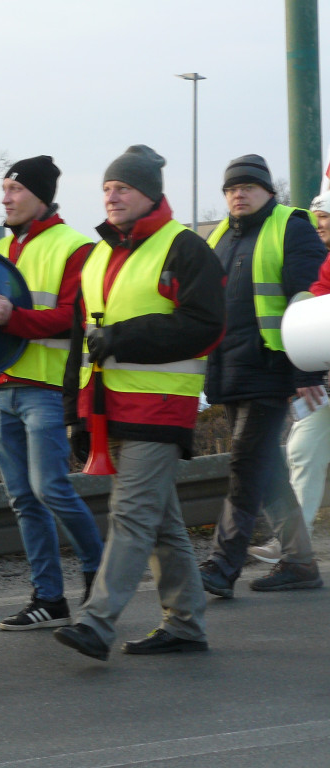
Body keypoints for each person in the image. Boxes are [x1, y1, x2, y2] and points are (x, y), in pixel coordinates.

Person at [53, 145, 225, 660]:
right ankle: (186, 624)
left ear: (149, 193)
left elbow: (205, 326)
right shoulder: (98, 255)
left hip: (160, 410)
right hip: (109, 410)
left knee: (130, 516)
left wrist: (125, 337)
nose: (111, 196)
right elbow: (80, 341)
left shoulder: (186, 248)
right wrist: (73, 413)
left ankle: (97, 622)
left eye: (122, 188)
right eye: (107, 188)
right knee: (161, 523)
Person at [0, 156, 103, 630]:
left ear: (41, 195)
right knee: (22, 499)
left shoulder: (75, 247)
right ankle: (48, 597)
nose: (6, 198)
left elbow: (76, 317)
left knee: (50, 489)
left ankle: (98, 573)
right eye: (4, 189)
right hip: (0, 389)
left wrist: (14, 318)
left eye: (14, 188)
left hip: (48, 389)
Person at [198, 155, 325, 597]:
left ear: (269, 191)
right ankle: (301, 563)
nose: (239, 193)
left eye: (249, 186)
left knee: (246, 467)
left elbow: (309, 306)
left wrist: (304, 369)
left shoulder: (291, 226)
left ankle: (221, 565)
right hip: (231, 370)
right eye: (232, 187)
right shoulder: (218, 235)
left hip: (271, 370)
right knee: (267, 470)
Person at [248, 192, 330, 563]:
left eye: (326, 217)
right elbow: (316, 304)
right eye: (318, 217)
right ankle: (294, 545)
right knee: (301, 450)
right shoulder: (326, 264)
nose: (320, 224)